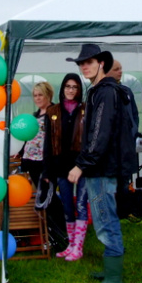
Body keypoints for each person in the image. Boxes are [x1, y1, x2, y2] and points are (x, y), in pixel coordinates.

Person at [66, 43, 134, 283]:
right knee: (105, 218)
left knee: (106, 220)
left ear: (101, 63)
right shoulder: (98, 90)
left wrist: (81, 164)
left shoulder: (105, 91)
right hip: (101, 166)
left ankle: (114, 278)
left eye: (89, 62)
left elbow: (99, 133)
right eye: (81, 63)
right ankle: (110, 269)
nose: (84, 67)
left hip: (103, 167)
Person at [43, 74, 88, 261]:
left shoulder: (86, 110)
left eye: (75, 87)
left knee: (81, 205)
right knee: (68, 206)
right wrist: (47, 170)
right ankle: (71, 244)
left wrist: (84, 163)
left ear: (79, 90)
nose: (71, 90)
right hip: (61, 166)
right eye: (68, 86)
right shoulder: (52, 111)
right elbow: (47, 143)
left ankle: (79, 247)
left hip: (82, 165)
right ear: (62, 88)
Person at [105, 60, 142, 223]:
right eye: (116, 69)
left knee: (125, 179)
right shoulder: (102, 92)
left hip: (126, 143)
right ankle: (109, 214)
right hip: (110, 145)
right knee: (109, 180)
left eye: (121, 69)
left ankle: (125, 212)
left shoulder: (127, 91)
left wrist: (133, 132)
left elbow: (134, 114)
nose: (120, 71)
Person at [21, 81, 54, 186]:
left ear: (48, 95)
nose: (37, 98)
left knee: (47, 191)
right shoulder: (34, 115)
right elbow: (29, 136)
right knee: (39, 190)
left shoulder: (54, 113)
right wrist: (20, 150)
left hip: (45, 162)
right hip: (31, 160)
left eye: (40, 95)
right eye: (35, 96)